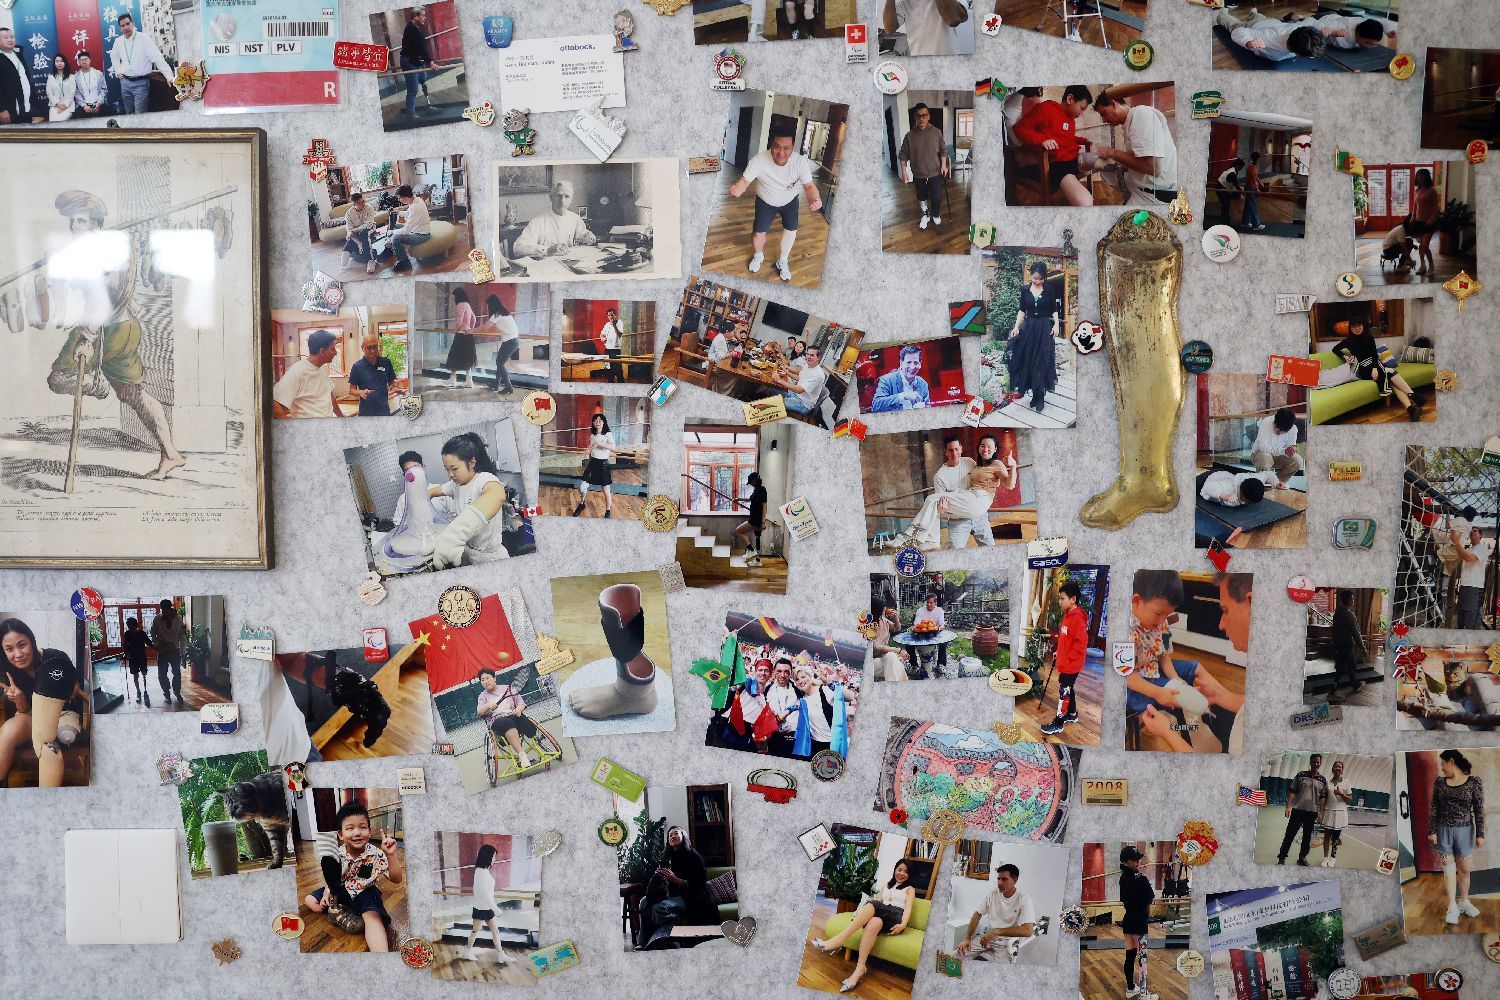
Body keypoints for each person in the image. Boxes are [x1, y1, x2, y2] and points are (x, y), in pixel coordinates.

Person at [38, 190, 187, 478]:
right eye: (72, 222)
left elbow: (102, 301)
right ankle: (170, 453)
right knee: (136, 395)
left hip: (105, 330)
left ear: (95, 223)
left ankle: (97, 386)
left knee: (58, 379)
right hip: (126, 328)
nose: (74, 227)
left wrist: (87, 339)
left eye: (81, 221)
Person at [303, 802, 405, 952]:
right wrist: (327, 892)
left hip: (365, 891)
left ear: (370, 831)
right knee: (310, 901)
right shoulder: (337, 854)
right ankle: (338, 913)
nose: (357, 833)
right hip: (340, 888)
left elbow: (396, 879)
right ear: (340, 834)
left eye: (362, 827)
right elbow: (331, 877)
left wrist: (390, 855)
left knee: (373, 918)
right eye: (350, 828)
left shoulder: (376, 854)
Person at [726, 128, 823, 283]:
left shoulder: (800, 162)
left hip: (790, 201)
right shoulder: (759, 160)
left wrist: (814, 199)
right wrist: (738, 187)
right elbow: (745, 180)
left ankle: (782, 260)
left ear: (792, 147)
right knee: (758, 233)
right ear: (771, 145)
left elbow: (809, 186)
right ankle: (759, 255)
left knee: (791, 230)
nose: (781, 153)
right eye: (777, 147)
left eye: (786, 148)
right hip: (765, 201)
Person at [892, 433, 1016, 551]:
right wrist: (942, 510)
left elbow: (1009, 484)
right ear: (945, 452)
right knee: (933, 503)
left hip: (979, 512)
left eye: (956, 449)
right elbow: (940, 509)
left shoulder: (973, 462)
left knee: (990, 550)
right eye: (983, 446)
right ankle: (928, 539)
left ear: (961, 449)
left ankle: (921, 539)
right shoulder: (942, 475)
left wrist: (1013, 467)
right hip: (959, 519)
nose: (954, 453)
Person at [0, 617, 83, 788]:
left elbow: (76, 685)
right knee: (7, 732)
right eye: (9, 649)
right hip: (31, 716)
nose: (18, 654)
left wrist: (73, 685)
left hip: (63, 714)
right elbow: (23, 711)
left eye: (22, 645)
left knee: (62, 737)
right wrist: (19, 699)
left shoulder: (56, 658)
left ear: (31, 641)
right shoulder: (8, 671)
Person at [812, 859, 917, 991]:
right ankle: (860, 968)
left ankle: (839, 940)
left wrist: (903, 925)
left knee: (875, 904)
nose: (901, 873)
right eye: (899, 870)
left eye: (906, 872)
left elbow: (908, 908)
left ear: (909, 874)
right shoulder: (886, 886)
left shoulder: (910, 889)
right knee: (874, 922)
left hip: (896, 917)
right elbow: (877, 905)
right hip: (883, 916)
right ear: (895, 870)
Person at [425, 432, 513, 567]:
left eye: (454, 468)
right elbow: (432, 492)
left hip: (490, 556)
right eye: (446, 469)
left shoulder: (484, 479)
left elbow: (497, 496)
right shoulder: (455, 484)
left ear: (472, 462)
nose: (450, 474)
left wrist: (455, 534)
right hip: (466, 551)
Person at [1429, 748, 1486, 925]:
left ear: (1451, 761)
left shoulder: (1474, 782)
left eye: (1443, 764)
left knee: (1465, 870)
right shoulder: (1439, 782)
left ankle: (1464, 901)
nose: (1441, 768)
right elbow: (1434, 808)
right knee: (1448, 871)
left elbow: (1479, 809)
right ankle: (1452, 906)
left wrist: (1480, 834)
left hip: (1465, 831)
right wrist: (1432, 831)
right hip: (1443, 831)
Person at [635, 826, 716, 949]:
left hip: (691, 897)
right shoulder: (666, 856)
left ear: (683, 836)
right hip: (671, 894)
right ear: (668, 840)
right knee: (643, 902)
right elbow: (663, 884)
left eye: (676, 833)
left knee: (659, 908)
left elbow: (698, 885)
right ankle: (642, 942)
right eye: (670, 835)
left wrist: (676, 880)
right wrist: (659, 876)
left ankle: (679, 923)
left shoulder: (694, 856)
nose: (673, 836)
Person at [1013, 86, 1095, 207]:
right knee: (1085, 202)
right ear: (1070, 99)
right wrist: (1042, 141)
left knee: (1107, 160)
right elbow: (1019, 128)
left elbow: (1066, 138)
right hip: (1058, 165)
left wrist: (1082, 140)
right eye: (1081, 108)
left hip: (1074, 160)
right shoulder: (1046, 108)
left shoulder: (1070, 118)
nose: (1081, 113)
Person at [1094, 91, 1178, 206]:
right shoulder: (1131, 121)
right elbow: (1139, 161)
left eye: (1104, 113)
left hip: (1158, 192)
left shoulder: (1141, 114)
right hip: (1147, 185)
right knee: (1105, 170)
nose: (1104, 120)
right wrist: (1113, 160)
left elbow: (1154, 168)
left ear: (1113, 104)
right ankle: (1130, 196)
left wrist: (1112, 152)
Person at [1334, 318, 1423, 420]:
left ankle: (1411, 409)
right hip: (1363, 369)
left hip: (1375, 365)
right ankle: (1413, 395)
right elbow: (1335, 349)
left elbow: (1374, 355)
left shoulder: (1369, 337)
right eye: (1354, 326)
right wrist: (1344, 356)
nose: (1357, 328)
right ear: (1350, 328)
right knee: (1390, 372)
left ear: (1363, 325)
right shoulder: (1348, 341)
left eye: (1359, 325)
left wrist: (1375, 368)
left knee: (1391, 380)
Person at [953, 862, 1034, 963]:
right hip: (987, 937)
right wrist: (967, 938)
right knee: (957, 954)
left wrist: (996, 931)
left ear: (1015, 880)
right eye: (998, 879)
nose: (999, 883)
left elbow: (1027, 931)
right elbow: (977, 914)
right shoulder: (992, 893)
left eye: (1004, 879)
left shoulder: (1024, 899)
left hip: (1006, 943)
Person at [1008, 260, 1062, 411]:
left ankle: (1040, 396)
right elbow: (1021, 310)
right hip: (1029, 329)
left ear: (1044, 277)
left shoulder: (1049, 290)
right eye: (1035, 278)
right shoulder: (1025, 290)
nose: (1038, 281)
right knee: (1029, 360)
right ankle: (1034, 395)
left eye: (1041, 279)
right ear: (1030, 276)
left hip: (1044, 328)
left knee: (1042, 361)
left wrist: (1056, 325)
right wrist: (1016, 327)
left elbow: (1054, 309)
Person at [1041, 579, 1088, 736]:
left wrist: (1067, 658)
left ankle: (1058, 723)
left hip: (1072, 663)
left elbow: (1081, 645)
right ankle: (1073, 714)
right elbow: (1065, 637)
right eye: (1060, 598)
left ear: (1073, 599)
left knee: (1064, 689)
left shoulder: (1078, 618)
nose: (1060, 602)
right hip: (1066, 660)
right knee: (1068, 686)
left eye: (1062, 598)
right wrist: (1058, 651)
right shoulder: (1067, 615)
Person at [476, 666, 543, 770]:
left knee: (522, 718)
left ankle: (535, 738)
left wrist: (518, 710)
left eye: (487, 678)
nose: (485, 681)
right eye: (482, 680)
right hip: (497, 721)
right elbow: (479, 711)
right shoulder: (482, 696)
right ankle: (522, 756)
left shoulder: (508, 689)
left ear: (494, 678)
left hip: (513, 715)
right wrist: (488, 706)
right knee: (507, 723)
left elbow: (521, 703)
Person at [109, 13, 174, 116]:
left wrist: (169, 76)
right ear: (120, 28)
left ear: (133, 23)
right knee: (129, 113)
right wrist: (118, 71)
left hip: (141, 83)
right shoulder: (118, 41)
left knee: (140, 115)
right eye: (123, 26)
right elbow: (114, 56)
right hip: (125, 83)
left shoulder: (144, 38)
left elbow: (158, 58)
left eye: (128, 24)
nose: (126, 27)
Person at [899, 103, 950, 232]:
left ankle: (936, 214)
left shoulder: (937, 132)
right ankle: (926, 215)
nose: (921, 118)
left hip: (935, 172)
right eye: (918, 116)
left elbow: (943, 150)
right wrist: (904, 172)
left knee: (936, 197)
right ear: (915, 117)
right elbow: (903, 155)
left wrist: (944, 165)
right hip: (918, 174)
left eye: (924, 115)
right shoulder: (909, 136)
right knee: (921, 197)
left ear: (928, 117)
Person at [513, 180, 597, 258]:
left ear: (571, 200)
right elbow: (518, 248)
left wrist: (588, 236)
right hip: (547, 265)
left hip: (572, 262)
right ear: (551, 197)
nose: (562, 200)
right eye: (558, 196)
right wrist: (547, 250)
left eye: (567, 196)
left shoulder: (575, 218)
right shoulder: (537, 222)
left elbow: (583, 235)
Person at [1214, 9, 1327, 64]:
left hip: (1270, 22)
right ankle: (1220, 13)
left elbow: (1309, 21)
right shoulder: (1270, 42)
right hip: (1255, 27)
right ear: (1297, 54)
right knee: (1234, 25)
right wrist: (1248, 42)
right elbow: (1238, 32)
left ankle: (1253, 13)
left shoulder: (1301, 28)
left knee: (1258, 16)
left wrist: (1327, 31)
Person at [272, 329, 342, 418]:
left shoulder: (322, 368)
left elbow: (330, 395)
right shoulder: (297, 371)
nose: (335, 353)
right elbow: (275, 404)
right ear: (322, 351)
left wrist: (342, 418)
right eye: (332, 349)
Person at [1277, 753, 1329, 866]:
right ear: (1310, 762)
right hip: (1297, 811)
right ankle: (1281, 858)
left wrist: (1321, 812)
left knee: (1307, 838)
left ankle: (1302, 858)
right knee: (1289, 835)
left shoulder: (1323, 780)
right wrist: (1288, 807)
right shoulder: (1301, 775)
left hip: (1311, 813)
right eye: (1314, 761)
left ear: (1320, 763)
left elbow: (1323, 797)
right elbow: (1292, 791)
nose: (1316, 763)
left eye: (1318, 762)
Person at [572, 412, 626, 518]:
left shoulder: (607, 434)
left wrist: (599, 443)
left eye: (600, 420)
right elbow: (591, 450)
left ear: (603, 422)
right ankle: (582, 504)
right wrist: (588, 452)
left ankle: (608, 510)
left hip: (603, 465)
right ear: (593, 423)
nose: (597, 422)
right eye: (595, 420)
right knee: (582, 487)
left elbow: (613, 447)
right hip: (592, 463)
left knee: (606, 491)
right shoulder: (592, 435)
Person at [1117, 846, 1155, 997]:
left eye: (1138, 858)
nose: (1138, 861)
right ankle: (1143, 994)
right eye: (1134, 859)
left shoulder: (1122, 879)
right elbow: (1151, 897)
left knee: (1130, 957)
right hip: (1140, 922)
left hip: (1128, 920)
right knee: (1143, 959)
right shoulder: (1141, 878)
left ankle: (1131, 988)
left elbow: (1123, 899)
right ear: (1126, 862)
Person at [790, 662, 848, 759]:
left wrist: (831, 681)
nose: (800, 681)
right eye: (797, 679)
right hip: (813, 745)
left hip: (831, 744)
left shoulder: (824, 690)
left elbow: (849, 697)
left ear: (810, 677)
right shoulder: (802, 699)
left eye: (803, 677)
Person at [463, 843, 509, 964]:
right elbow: (483, 894)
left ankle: (501, 955)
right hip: (481, 908)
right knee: (475, 931)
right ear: (487, 856)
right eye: (493, 856)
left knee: (495, 931)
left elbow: (486, 893)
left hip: (487, 908)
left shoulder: (484, 870)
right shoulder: (480, 872)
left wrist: (493, 907)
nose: (494, 859)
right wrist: (496, 909)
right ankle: (467, 951)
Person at [882, 0, 970, 56]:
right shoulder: (905, 2)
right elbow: (889, 28)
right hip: (919, 59)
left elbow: (952, 20)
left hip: (949, 57)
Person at [347, 332, 397, 417]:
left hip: (384, 411)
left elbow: (392, 382)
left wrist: (394, 387)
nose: (373, 351)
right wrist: (360, 392)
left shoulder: (386, 362)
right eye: (369, 348)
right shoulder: (357, 367)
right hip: (366, 413)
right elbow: (351, 390)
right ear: (363, 348)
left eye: (375, 347)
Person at [1329, 589, 1367, 698]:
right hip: (1347, 644)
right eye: (1352, 598)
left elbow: (1334, 631)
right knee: (1341, 667)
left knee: (1350, 665)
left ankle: (1355, 685)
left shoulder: (1337, 614)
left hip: (1339, 643)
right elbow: (1355, 633)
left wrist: (1334, 643)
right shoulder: (1349, 615)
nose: (1353, 600)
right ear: (1349, 600)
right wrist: (1363, 647)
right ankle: (1333, 688)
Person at [481, 294, 522, 395]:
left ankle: (508, 387)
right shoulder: (504, 312)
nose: (487, 307)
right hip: (512, 341)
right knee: (499, 362)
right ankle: (495, 384)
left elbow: (485, 328)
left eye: (488, 305)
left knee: (500, 363)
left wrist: (470, 330)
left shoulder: (497, 314)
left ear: (492, 305)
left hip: (510, 341)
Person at [871, 344, 931, 411]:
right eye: (908, 362)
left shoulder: (923, 383)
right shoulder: (886, 380)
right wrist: (903, 396)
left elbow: (928, 408)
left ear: (920, 364)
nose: (912, 367)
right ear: (901, 363)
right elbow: (876, 406)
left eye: (916, 363)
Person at [774, 344, 828, 418]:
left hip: (803, 404)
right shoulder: (807, 365)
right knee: (773, 389)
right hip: (796, 395)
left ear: (818, 358)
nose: (808, 357)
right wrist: (786, 371)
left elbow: (799, 390)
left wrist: (779, 380)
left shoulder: (818, 374)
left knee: (775, 403)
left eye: (812, 355)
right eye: (807, 354)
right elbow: (799, 377)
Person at [149, 599, 186, 706]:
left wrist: (182, 651)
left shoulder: (178, 618)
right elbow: (153, 633)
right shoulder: (157, 619)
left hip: (175, 650)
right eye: (163, 610)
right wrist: (157, 646)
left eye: (166, 609)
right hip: (162, 651)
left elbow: (182, 635)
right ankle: (166, 693)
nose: (165, 612)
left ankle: (177, 692)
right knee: (162, 674)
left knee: (177, 673)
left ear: (170, 608)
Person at [399, 7, 434, 121]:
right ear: (415, 16)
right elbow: (421, 48)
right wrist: (431, 62)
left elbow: (418, 48)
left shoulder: (416, 28)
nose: (425, 18)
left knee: (423, 80)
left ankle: (429, 105)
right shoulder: (411, 29)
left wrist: (426, 61)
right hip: (409, 62)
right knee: (413, 89)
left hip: (416, 60)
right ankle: (411, 115)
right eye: (422, 15)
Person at [1457, 527, 1494, 630]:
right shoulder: (1468, 549)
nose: (1472, 532)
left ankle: (1472, 639)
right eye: (1471, 531)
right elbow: (1461, 554)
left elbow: (1469, 558)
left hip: (1474, 587)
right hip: (1464, 586)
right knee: (1461, 619)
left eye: (1475, 531)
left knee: (1471, 621)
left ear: (1480, 535)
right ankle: (1462, 639)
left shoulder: (1482, 548)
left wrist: (1457, 543)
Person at [1252, 407, 1302, 483]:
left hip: (1279, 456)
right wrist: (1284, 451)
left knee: (1298, 461)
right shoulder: (1266, 422)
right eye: (1277, 429)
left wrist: (1292, 450)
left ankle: (1277, 483)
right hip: (1260, 454)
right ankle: (1261, 484)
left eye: (1283, 432)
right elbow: (1263, 447)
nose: (1279, 433)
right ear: (1274, 421)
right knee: (1265, 458)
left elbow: (1291, 446)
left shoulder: (1293, 428)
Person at [389, 185, 431, 273]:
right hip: (416, 229)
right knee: (394, 226)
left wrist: (392, 232)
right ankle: (389, 248)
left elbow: (406, 230)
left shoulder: (416, 206)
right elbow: (409, 213)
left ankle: (404, 263)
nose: (399, 200)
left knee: (395, 238)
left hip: (421, 235)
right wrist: (398, 212)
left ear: (406, 197)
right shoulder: (415, 199)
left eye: (399, 198)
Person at [1318, 760, 1352, 868]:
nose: (1337, 768)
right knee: (1326, 836)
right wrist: (1321, 812)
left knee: (1335, 838)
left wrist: (1341, 794)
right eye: (1335, 767)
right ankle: (1325, 858)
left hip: (1340, 814)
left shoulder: (1346, 782)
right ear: (1332, 769)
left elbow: (1349, 799)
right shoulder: (1327, 783)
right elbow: (1324, 798)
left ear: (1342, 770)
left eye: (1339, 767)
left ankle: (1333, 858)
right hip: (1329, 812)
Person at [907, 592, 949, 676]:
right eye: (928, 602)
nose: (929, 604)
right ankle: (914, 665)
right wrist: (917, 627)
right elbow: (916, 624)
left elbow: (942, 624)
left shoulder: (939, 610)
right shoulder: (920, 610)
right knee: (908, 644)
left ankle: (940, 664)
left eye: (931, 602)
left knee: (944, 642)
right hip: (921, 634)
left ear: (935, 603)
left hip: (934, 633)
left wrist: (938, 628)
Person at [1303, 12, 1397, 49]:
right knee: (1302, 20)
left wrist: (1389, 31)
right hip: (1325, 18)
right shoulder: (1343, 29)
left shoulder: (1366, 23)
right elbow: (1314, 23)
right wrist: (1332, 31)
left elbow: (1382, 21)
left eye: (1372, 44)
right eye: (1367, 43)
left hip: (1339, 17)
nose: (1369, 46)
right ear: (1358, 33)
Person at [445, 287, 479, 389]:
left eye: (455, 296)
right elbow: (474, 318)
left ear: (458, 296)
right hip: (468, 335)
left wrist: (456, 330)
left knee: (454, 356)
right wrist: (470, 329)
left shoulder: (460, 305)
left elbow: (459, 321)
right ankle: (469, 381)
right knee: (467, 357)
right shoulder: (468, 305)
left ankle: (452, 379)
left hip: (460, 335)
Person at [733, 472, 768, 567]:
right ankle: (757, 561)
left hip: (756, 520)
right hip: (754, 518)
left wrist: (763, 522)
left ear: (755, 480)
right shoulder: (756, 490)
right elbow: (749, 499)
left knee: (738, 531)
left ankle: (751, 551)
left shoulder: (762, 490)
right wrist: (738, 499)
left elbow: (764, 507)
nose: (751, 484)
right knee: (756, 540)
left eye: (751, 482)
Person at [870, 603, 911, 683]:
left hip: (884, 658)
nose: (884, 611)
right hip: (870, 662)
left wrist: (896, 618)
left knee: (892, 658)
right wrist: (898, 650)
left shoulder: (883, 620)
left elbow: (896, 628)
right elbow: (874, 647)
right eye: (882, 610)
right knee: (894, 660)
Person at [340, 193, 378, 275]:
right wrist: (358, 243)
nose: (362, 204)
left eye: (363, 201)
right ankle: (360, 251)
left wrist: (354, 231)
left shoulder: (369, 208)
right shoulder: (349, 213)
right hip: (356, 232)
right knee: (343, 262)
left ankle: (371, 260)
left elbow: (368, 225)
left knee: (364, 233)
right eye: (359, 203)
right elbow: (349, 231)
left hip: (369, 228)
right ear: (354, 204)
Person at [1411, 167, 1439, 275]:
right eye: (1418, 176)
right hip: (1418, 222)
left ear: (1426, 177)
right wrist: (1413, 217)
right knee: (1421, 246)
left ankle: (1431, 266)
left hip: (1429, 223)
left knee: (1425, 246)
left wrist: (1431, 219)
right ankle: (1422, 266)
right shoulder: (1417, 190)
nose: (1420, 178)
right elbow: (1415, 206)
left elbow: (1436, 207)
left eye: (1422, 176)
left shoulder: (1432, 191)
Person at [0, 27, 31, 124]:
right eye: (6, 37)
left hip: (26, 106)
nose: (10, 39)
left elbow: (27, 78)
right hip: (9, 110)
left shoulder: (18, 54)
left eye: (12, 37)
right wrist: (1, 109)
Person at [1199, 468, 1274, 507]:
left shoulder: (1255, 479)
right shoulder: (1228, 488)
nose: (1248, 503)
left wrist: (1276, 483)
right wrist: (1226, 496)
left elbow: (1268, 474)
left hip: (1223, 474)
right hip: (1205, 479)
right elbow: (1207, 487)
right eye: (1248, 501)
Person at [122, 614, 152, 706]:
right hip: (133, 658)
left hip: (142, 657)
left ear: (136, 626)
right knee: (135, 676)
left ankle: (145, 692)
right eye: (129, 627)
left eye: (132, 626)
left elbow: (148, 642)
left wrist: (155, 647)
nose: (131, 628)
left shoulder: (142, 633)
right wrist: (126, 653)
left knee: (144, 674)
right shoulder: (127, 634)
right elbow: (125, 645)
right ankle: (138, 692)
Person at [71, 50, 111, 118]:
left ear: (90, 60)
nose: (84, 61)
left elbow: (103, 90)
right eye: (81, 60)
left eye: (86, 59)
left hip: (98, 105)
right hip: (83, 107)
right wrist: (84, 106)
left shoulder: (98, 74)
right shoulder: (76, 77)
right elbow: (76, 93)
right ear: (79, 62)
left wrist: (99, 103)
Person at [1238, 151, 1266, 232]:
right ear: (1255, 159)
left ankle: (1245, 222)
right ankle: (1256, 225)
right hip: (1250, 188)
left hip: (1251, 187)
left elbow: (1256, 177)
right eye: (1257, 158)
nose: (1258, 160)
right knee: (1253, 206)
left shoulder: (1254, 166)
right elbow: (1253, 179)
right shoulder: (1250, 167)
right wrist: (1257, 188)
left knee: (1248, 206)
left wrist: (1260, 184)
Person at [45, 54, 74, 122]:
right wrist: (58, 103)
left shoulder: (71, 76)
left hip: (68, 105)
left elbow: (72, 92)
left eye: (61, 61)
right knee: (52, 122)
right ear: (54, 63)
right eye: (57, 61)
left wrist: (65, 105)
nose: (59, 63)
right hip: (55, 105)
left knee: (59, 121)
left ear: (65, 63)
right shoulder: (51, 77)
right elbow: (49, 93)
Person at [600, 307, 625, 383]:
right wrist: (602, 338)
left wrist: (614, 324)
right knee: (609, 372)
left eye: (612, 315)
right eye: (609, 315)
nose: (610, 317)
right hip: (607, 350)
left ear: (615, 315)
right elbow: (601, 334)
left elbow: (619, 334)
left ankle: (621, 386)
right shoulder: (607, 324)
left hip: (616, 350)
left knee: (618, 372)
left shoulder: (620, 323)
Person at [1216, 159, 1244, 223]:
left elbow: (1234, 184)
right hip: (1221, 188)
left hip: (1223, 187)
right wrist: (1243, 193)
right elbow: (1236, 186)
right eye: (1241, 167)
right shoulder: (1232, 173)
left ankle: (1225, 219)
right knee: (1225, 204)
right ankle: (1223, 221)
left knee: (1226, 204)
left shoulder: (1233, 169)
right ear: (1237, 165)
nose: (1242, 168)